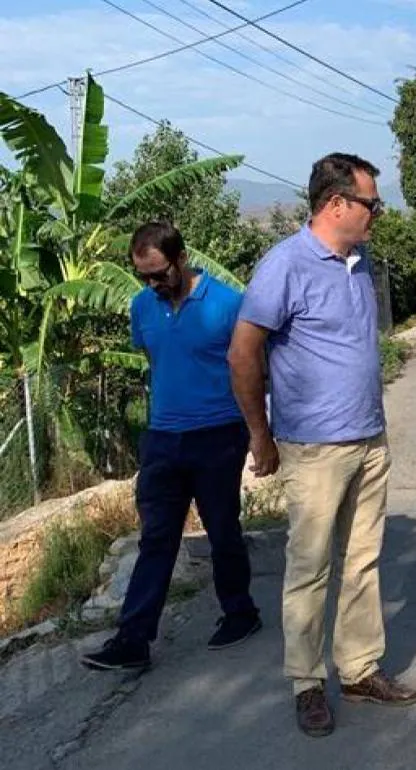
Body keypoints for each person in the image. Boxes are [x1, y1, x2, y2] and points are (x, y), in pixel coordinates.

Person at [228, 153, 416, 738]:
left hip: (368, 439)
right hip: (311, 448)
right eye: (371, 203)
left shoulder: (358, 264)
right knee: (309, 569)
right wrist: (260, 436)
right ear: (337, 204)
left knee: (362, 561)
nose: (377, 214)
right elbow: (242, 353)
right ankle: (306, 683)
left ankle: (359, 668)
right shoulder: (284, 265)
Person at [81, 222, 260, 672]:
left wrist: (260, 432)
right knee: (157, 538)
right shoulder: (142, 308)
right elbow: (155, 360)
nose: (152, 284)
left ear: (181, 259)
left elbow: (250, 368)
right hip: (162, 438)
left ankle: (240, 613)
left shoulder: (226, 304)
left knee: (222, 529)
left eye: (159, 274)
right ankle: (133, 640)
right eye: (144, 277)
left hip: (218, 434)